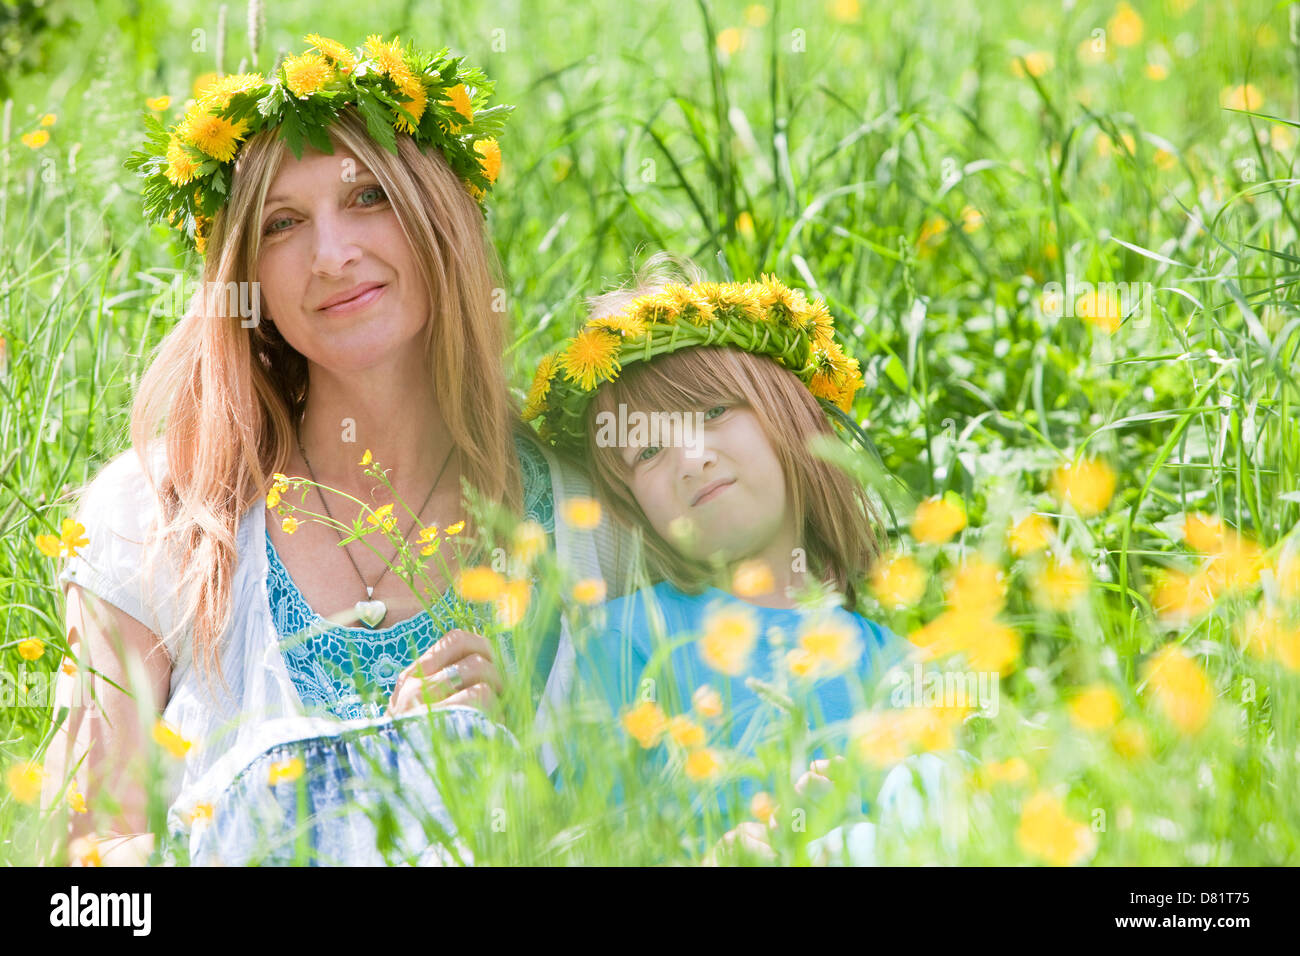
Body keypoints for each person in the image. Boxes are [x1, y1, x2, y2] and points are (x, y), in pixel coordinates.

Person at [40, 34, 630, 866]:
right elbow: (82, 873)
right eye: (282, 223)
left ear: (441, 220)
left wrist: (493, 777)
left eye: (367, 197)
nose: (331, 256)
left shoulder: (590, 521)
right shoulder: (163, 518)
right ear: (246, 274)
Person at [523, 259, 912, 845]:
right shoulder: (627, 642)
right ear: (632, 502)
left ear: (790, 413)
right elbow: (588, 846)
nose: (691, 458)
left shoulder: (903, 666)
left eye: (712, 412)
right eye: (649, 449)